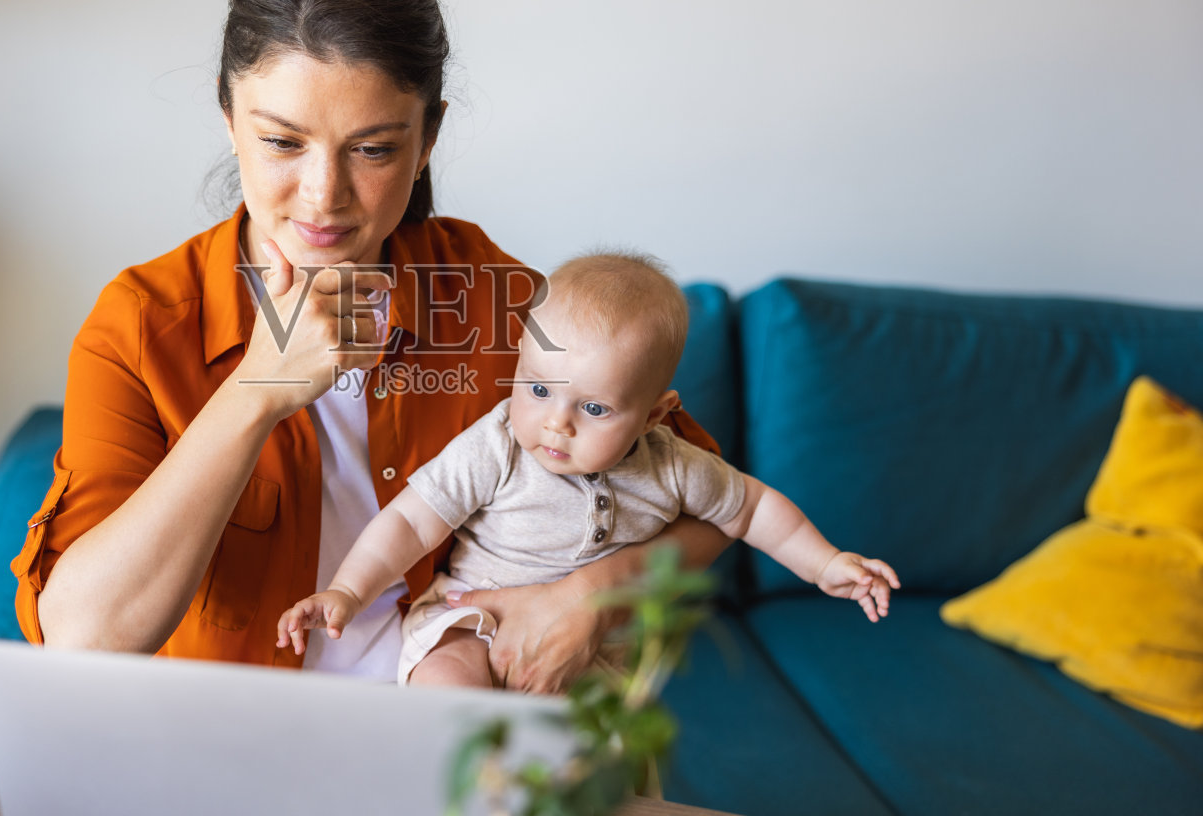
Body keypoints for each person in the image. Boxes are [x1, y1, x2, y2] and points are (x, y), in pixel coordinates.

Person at [11, 0, 733, 692]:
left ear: (428, 140)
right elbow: (81, 638)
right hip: (219, 749)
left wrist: (586, 598)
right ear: (228, 119)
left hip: (449, 751)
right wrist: (257, 392)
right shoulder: (141, 323)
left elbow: (711, 510)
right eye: (283, 143)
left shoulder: (493, 298)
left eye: (374, 149)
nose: (324, 197)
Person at [276, 253, 901, 687]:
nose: (556, 424)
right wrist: (348, 591)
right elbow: (411, 522)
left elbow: (754, 509)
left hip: (594, 657)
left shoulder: (673, 468)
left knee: (591, 771)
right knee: (448, 688)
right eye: (538, 390)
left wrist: (826, 564)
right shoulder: (498, 444)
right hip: (468, 622)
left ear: (656, 415)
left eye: (594, 408)